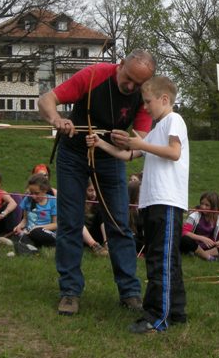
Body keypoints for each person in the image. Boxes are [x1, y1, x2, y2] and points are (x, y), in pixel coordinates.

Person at [38, 49, 155, 316]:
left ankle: (130, 292)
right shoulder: (94, 76)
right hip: (73, 154)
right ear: (120, 64)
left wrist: (128, 142)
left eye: (138, 83)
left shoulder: (143, 94)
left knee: (119, 223)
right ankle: (70, 291)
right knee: (70, 221)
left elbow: (140, 138)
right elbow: (47, 99)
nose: (131, 87)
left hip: (109, 157)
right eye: (128, 79)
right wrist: (57, 120)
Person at [86, 75, 189, 333]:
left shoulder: (174, 120)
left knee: (161, 261)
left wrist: (142, 143)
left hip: (167, 201)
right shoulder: (156, 130)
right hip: (153, 203)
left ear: (164, 99)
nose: (145, 107)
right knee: (163, 258)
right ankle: (176, 312)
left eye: (148, 101)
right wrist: (101, 143)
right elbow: (128, 155)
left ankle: (157, 317)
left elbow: (174, 152)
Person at [181, 192, 219, 260]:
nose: (203, 207)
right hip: (194, 244)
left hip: (209, 246)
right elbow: (184, 232)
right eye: (202, 204)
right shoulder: (195, 215)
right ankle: (208, 257)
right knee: (185, 239)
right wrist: (202, 238)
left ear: (214, 207)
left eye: (207, 205)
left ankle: (201, 254)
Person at [14, 173, 58, 252]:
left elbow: (55, 225)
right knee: (19, 237)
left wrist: (37, 228)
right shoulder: (27, 199)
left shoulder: (53, 201)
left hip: (45, 233)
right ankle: (32, 249)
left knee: (36, 232)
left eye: (37, 193)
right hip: (29, 232)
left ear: (45, 190)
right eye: (31, 193)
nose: (33, 196)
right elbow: (25, 220)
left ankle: (54, 245)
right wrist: (19, 226)